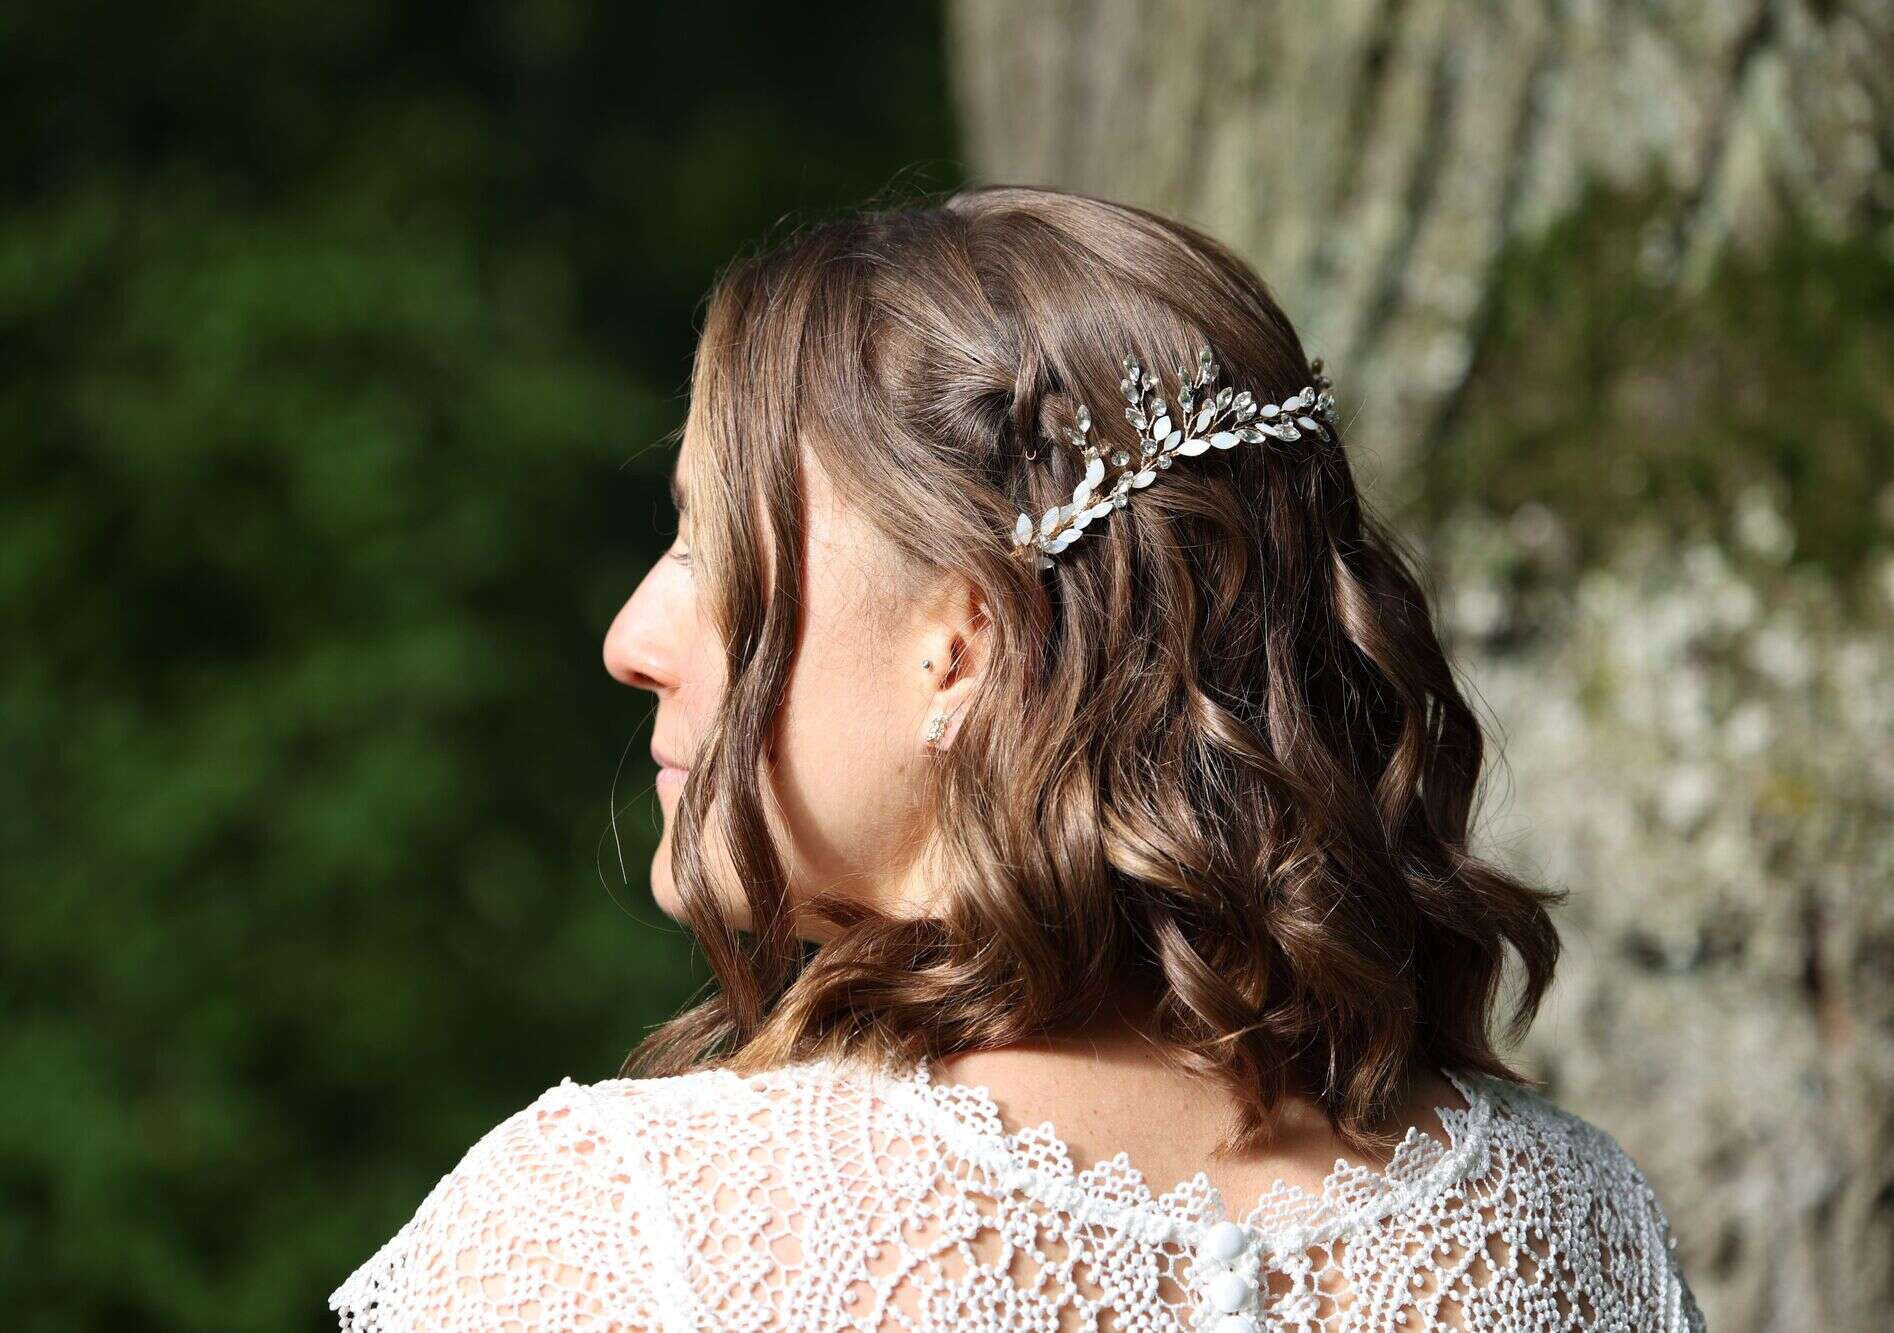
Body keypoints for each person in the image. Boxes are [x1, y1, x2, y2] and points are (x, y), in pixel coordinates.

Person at [328, 184, 1707, 1331]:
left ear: (962, 642)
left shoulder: (627, 1233)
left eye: (713, 544)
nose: (634, 636)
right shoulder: (1573, 1234)